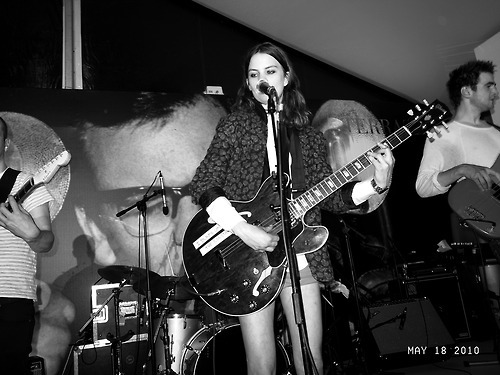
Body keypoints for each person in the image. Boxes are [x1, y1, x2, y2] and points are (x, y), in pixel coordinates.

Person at [189, 42, 395, 375]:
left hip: (301, 254)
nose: (261, 80)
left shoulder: (309, 137)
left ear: (286, 77)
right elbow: (203, 183)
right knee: (261, 364)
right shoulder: (235, 128)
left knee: (311, 357)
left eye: (270, 71)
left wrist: (377, 183)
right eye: (254, 74)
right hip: (248, 257)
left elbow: (331, 196)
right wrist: (245, 230)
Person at [415, 60, 500, 257]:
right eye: (489, 85)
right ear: (467, 92)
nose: (495, 91)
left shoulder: (495, 133)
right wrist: (461, 169)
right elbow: (423, 187)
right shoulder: (444, 134)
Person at [0, 116, 55, 375]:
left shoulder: (24, 183)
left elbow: (46, 241)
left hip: (10, 300)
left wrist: (31, 234)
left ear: (6, 142)